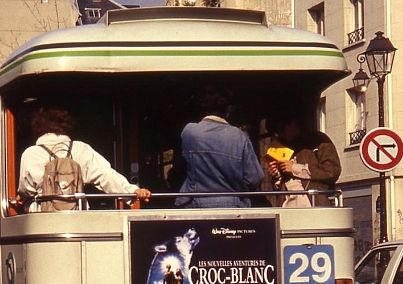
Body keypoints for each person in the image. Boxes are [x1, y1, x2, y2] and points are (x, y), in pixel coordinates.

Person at [17, 105, 151, 211]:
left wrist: (22, 197)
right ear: (65, 126)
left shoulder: (31, 153)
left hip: (42, 219)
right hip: (77, 215)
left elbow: (25, 190)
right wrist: (133, 191)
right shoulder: (80, 149)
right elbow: (105, 175)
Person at [175, 87, 264, 208]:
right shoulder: (239, 136)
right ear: (228, 110)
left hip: (196, 203)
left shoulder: (190, 132)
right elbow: (254, 178)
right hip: (233, 205)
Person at [266, 115, 341, 207]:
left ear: (293, 124)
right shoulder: (280, 146)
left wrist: (295, 168)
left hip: (312, 202)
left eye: (281, 129)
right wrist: (277, 176)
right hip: (287, 204)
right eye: (275, 133)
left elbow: (332, 170)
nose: (280, 135)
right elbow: (279, 188)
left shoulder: (318, 140)